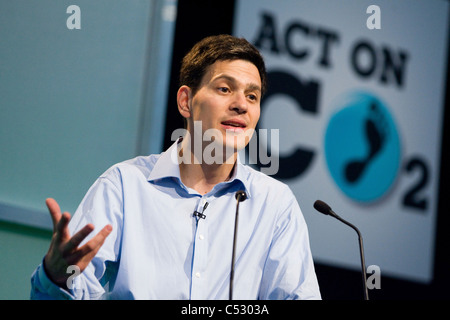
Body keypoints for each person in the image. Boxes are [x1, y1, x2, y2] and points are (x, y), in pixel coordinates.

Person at [30, 34, 321, 300]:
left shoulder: (275, 204)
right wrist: (56, 278)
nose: (241, 105)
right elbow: (76, 287)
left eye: (252, 96)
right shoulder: (125, 185)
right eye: (224, 88)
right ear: (186, 101)